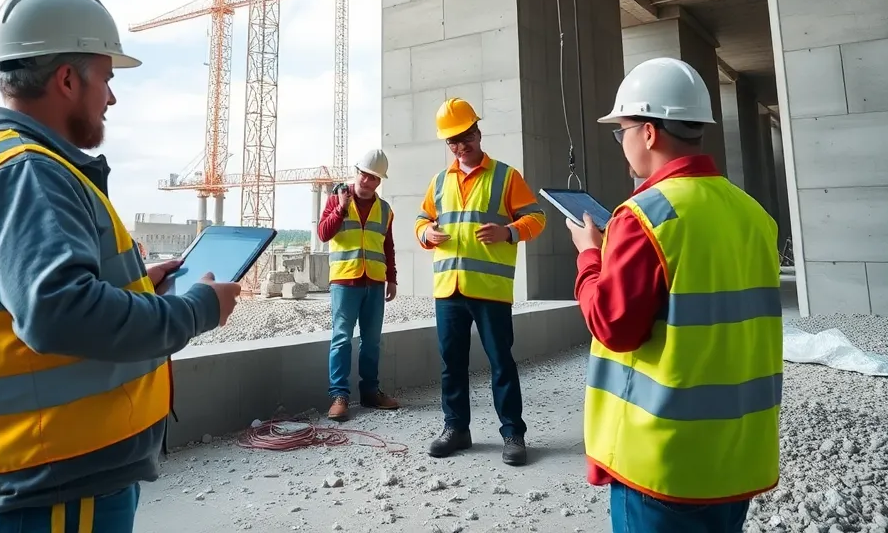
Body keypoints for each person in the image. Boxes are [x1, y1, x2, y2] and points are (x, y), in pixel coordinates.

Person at [0, 0, 242, 533]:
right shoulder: (29, 174)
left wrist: (137, 289)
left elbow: (48, 297)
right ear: (67, 80)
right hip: (53, 476)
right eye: (107, 78)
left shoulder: (27, 166)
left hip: (60, 470)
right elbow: (60, 313)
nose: (112, 98)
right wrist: (197, 310)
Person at [567, 57, 782, 533]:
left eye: (621, 131)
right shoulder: (752, 214)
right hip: (739, 454)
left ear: (647, 133)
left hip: (665, 462)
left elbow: (613, 325)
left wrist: (589, 256)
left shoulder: (644, 216)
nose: (622, 144)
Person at [414, 98, 546, 466]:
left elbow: (537, 218)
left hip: (489, 289)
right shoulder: (439, 182)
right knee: (451, 364)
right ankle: (456, 429)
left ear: (478, 131)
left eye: (466, 136)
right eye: (453, 141)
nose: (461, 145)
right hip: (449, 289)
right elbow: (421, 220)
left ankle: (513, 434)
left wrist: (508, 231)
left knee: (501, 362)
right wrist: (426, 234)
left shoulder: (506, 176)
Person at [317, 149, 400, 421]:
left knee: (372, 341)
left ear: (379, 181)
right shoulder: (336, 199)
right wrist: (341, 208)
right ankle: (339, 396)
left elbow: (388, 246)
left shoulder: (385, 210)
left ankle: (370, 392)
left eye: (373, 177)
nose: (367, 181)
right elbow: (323, 233)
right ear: (356, 172)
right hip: (345, 280)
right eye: (364, 175)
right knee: (341, 338)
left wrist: (392, 278)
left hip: (374, 281)